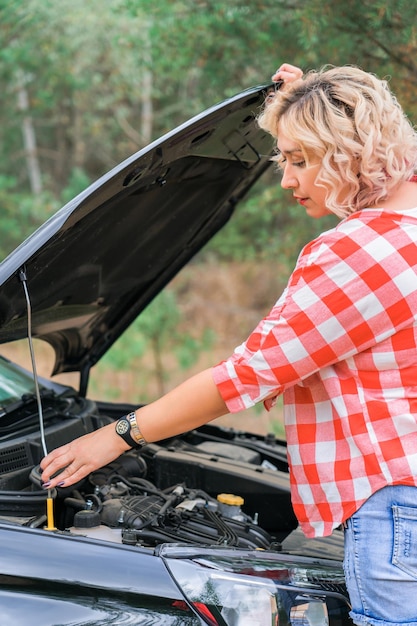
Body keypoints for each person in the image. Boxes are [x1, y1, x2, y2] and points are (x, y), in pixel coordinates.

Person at [41, 62, 417, 626]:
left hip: (394, 513)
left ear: (348, 153)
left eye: (298, 160)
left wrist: (118, 436)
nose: (286, 180)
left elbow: (243, 378)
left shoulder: (358, 253)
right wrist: (309, 101)